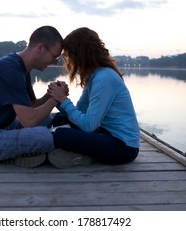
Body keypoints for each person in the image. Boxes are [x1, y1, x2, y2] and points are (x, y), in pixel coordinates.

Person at [0, 25, 63, 168]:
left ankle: (18, 152)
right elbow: (29, 121)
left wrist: (50, 94)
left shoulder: (21, 68)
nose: (54, 62)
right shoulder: (10, 69)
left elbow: (31, 105)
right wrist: (56, 99)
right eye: (54, 57)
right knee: (44, 137)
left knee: (45, 120)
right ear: (40, 48)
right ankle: (13, 157)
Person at [47, 27, 140, 168]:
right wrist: (59, 99)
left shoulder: (105, 78)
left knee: (61, 135)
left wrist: (64, 100)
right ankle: (80, 152)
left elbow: (88, 126)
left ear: (80, 54)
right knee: (60, 118)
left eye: (69, 54)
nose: (69, 60)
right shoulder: (95, 76)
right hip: (105, 133)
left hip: (123, 148)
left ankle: (81, 156)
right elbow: (80, 111)